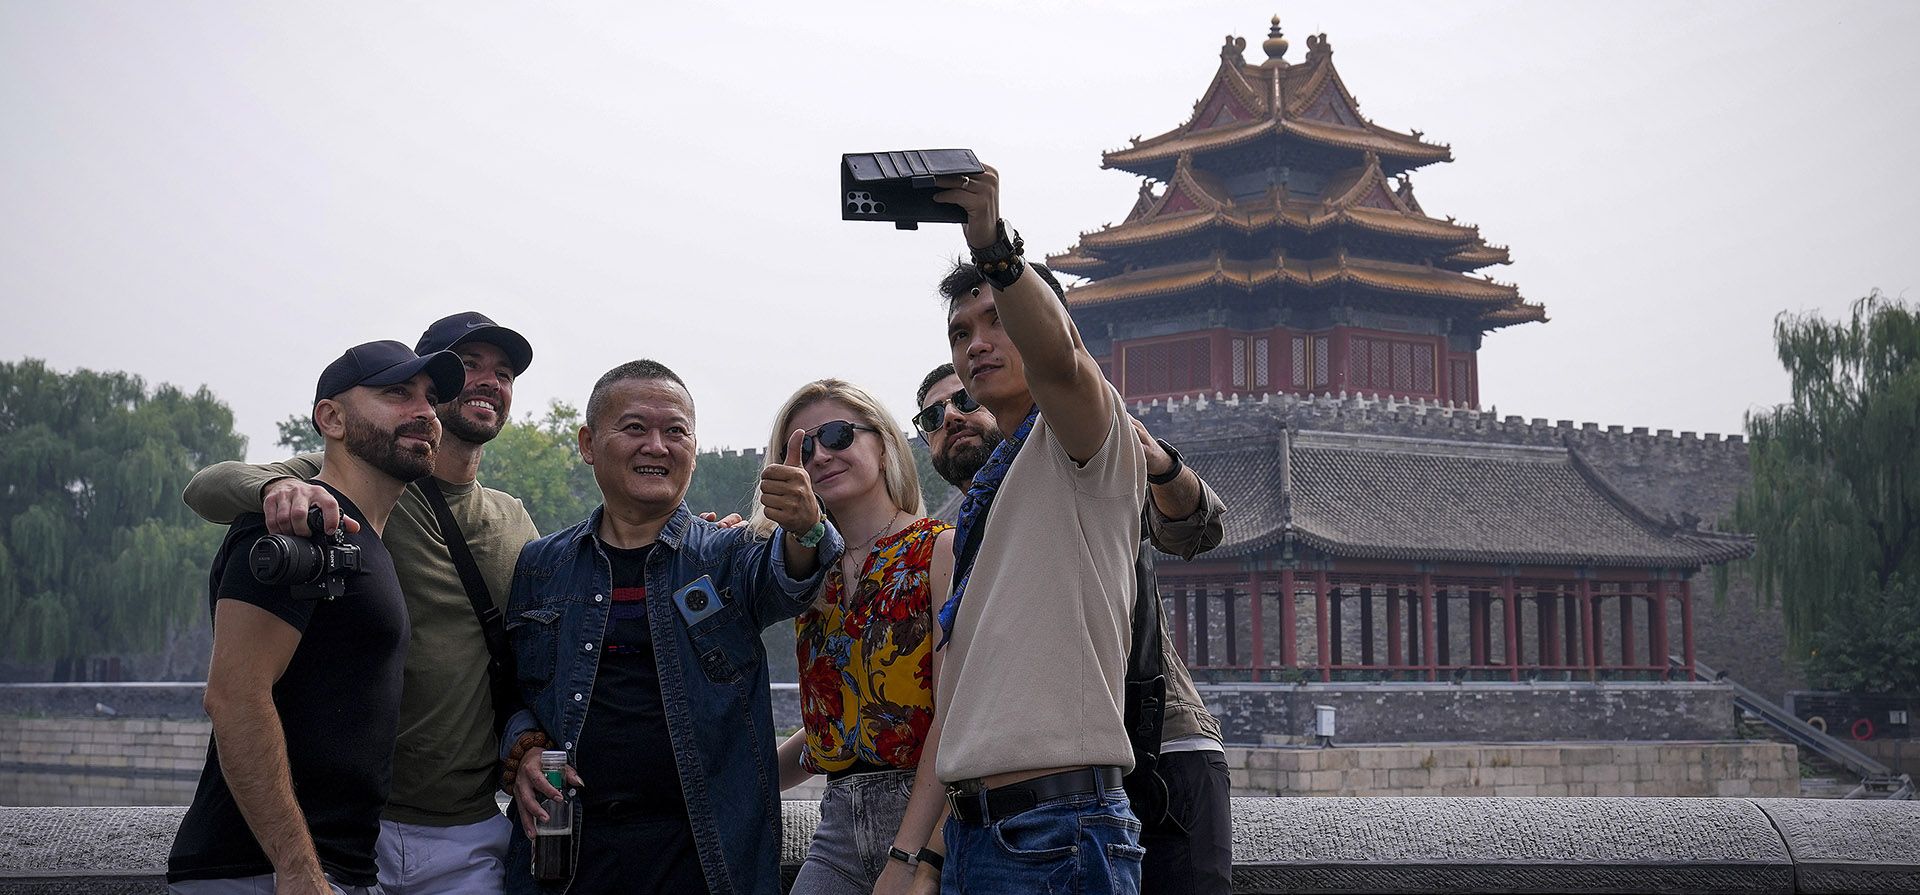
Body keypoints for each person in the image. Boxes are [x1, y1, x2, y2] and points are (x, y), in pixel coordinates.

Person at [182, 312, 541, 895]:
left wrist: (701, 544)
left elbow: (542, 652)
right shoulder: (340, 489)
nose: (488, 381)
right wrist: (276, 489)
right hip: (352, 831)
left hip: (464, 825)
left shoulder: (513, 520)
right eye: (468, 364)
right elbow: (206, 486)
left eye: (503, 372)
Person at [501, 359, 844, 895]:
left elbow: (788, 576)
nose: (656, 446)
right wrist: (521, 748)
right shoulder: (542, 566)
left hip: (705, 857)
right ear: (589, 443)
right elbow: (512, 689)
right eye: (635, 428)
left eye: (675, 431)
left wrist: (805, 528)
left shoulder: (729, 555)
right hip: (569, 855)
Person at [907, 164, 1148, 894]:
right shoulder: (990, 487)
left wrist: (994, 248)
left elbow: (1064, 362)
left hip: (1059, 828)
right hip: (983, 828)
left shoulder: (1082, 439)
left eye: (999, 320)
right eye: (960, 331)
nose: (977, 342)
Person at [914, 361, 1233, 895]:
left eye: (965, 400)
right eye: (931, 416)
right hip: (1041, 776)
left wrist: (1155, 463)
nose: (950, 417)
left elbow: (1196, 529)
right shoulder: (955, 537)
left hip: (1158, 745)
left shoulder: (1079, 455)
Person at [748, 380, 956, 895]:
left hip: (931, 814)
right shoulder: (809, 576)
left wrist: (910, 856)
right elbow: (849, 727)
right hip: (836, 823)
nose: (821, 454)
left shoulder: (940, 550)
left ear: (883, 443)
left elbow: (953, 716)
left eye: (838, 435)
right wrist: (737, 784)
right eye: (803, 447)